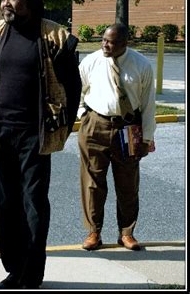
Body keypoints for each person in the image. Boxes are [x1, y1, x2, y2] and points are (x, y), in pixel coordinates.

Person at [0, 0, 81, 289]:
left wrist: (62, 125)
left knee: (33, 201)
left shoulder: (55, 38)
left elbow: (72, 88)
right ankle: (13, 268)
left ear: (30, 1)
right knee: (7, 203)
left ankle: (32, 273)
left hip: (35, 133)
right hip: (1, 131)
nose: (6, 3)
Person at [77, 23, 156, 252]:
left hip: (128, 128)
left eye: (111, 42)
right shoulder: (91, 61)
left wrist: (146, 139)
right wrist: (83, 114)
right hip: (95, 126)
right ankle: (94, 231)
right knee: (92, 184)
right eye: (103, 40)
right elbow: (77, 91)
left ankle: (127, 233)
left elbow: (149, 105)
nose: (105, 45)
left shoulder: (141, 65)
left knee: (128, 183)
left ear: (124, 43)